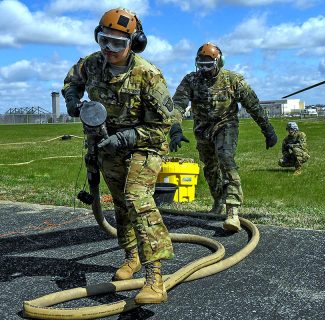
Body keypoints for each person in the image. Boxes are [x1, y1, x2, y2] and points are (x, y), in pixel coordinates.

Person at [62, 8, 184, 304]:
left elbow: (161, 127)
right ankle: (132, 257)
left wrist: (126, 137)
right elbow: (71, 82)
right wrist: (73, 101)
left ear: (135, 42)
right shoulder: (91, 64)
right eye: (104, 41)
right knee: (119, 202)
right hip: (106, 144)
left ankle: (155, 278)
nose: (109, 49)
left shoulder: (148, 75)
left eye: (117, 43)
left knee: (136, 198)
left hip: (144, 144)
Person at [171, 42, 277, 232]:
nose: (205, 70)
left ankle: (232, 211)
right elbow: (178, 104)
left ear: (219, 63)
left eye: (209, 66)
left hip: (225, 125)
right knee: (210, 167)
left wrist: (267, 129)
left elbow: (253, 105)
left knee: (226, 159)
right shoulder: (190, 80)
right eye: (201, 66)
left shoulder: (233, 80)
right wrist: (175, 127)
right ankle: (218, 200)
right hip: (203, 128)